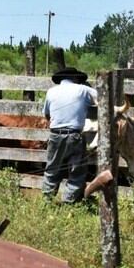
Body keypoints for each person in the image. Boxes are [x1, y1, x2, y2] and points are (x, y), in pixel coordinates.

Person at [42, 67, 97, 204]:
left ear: (61, 79)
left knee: (52, 169)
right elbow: (103, 98)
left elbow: (47, 114)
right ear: (76, 79)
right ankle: (68, 202)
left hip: (55, 134)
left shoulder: (51, 92)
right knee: (76, 171)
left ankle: (47, 201)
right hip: (75, 135)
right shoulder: (83, 90)